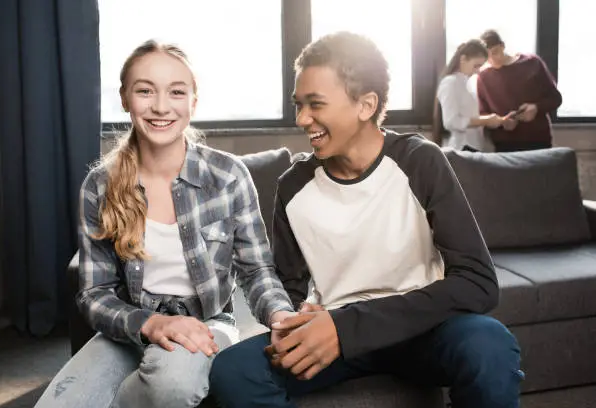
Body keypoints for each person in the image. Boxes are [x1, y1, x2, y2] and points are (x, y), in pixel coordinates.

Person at [209, 31, 523, 408]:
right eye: (298, 105)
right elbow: (288, 289)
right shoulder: (292, 187)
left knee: (489, 344)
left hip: (422, 332)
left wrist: (347, 326)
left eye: (315, 104)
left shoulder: (420, 162)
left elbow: (478, 283)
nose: (302, 119)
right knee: (233, 371)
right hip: (335, 342)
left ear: (366, 104)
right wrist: (291, 322)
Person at [34, 40, 295, 408]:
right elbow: (94, 294)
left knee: (172, 385)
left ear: (193, 101)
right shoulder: (100, 185)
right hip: (129, 326)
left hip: (208, 323)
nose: (160, 106)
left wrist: (281, 317)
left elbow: (256, 271)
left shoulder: (229, 176)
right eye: (145, 91)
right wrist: (150, 324)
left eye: (176, 92)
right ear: (125, 99)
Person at [477, 29, 562, 152]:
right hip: (504, 146)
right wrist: (501, 122)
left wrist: (536, 107)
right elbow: (483, 114)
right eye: (487, 57)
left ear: (502, 45)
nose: (492, 60)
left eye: (495, 52)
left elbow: (556, 98)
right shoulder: (483, 77)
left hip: (538, 141)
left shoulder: (532, 63)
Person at [433, 39, 504, 152]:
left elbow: (471, 116)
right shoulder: (450, 82)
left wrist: (497, 121)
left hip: (474, 147)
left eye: (480, 66)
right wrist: (485, 121)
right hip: (462, 148)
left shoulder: (467, 83)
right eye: (476, 66)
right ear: (463, 59)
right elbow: (451, 122)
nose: (478, 71)